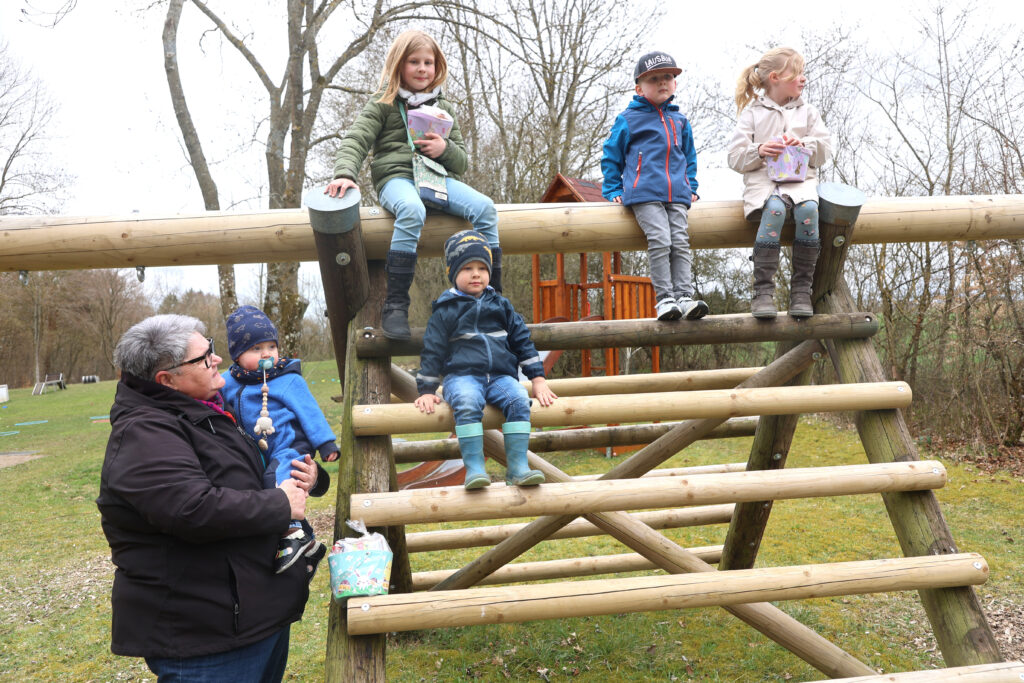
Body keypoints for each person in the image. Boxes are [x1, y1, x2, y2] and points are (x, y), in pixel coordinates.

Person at [96, 314, 329, 681]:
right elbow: (193, 508)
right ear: (166, 379)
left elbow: (255, 469)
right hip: (205, 635)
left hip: (251, 615)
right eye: (204, 357)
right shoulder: (145, 432)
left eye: (213, 349)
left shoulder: (210, 407)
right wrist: (280, 504)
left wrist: (306, 478)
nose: (217, 359)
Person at [325, 29, 500, 342]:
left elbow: (461, 162)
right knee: (411, 210)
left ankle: (491, 298)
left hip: (437, 178)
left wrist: (444, 150)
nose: (423, 69)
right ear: (398, 65)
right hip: (398, 178)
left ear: (437, 67)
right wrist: (345, 173)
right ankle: (396, 304)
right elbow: (356, 139)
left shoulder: (443, 108)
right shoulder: (384, 102)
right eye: (414, 62)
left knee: (485, 208)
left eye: (429, 62)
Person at [414, 230, 557, 489]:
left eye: (482, 267)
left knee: (518, 400)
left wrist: (538, 379)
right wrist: (426, 390)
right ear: (453, 273)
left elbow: (523, 341)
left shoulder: (501, 306)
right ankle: (475, 469)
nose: (476, 274)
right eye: (467, 268)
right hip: (462, 377)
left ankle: (517, 468)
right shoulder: (445, 311)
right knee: (468, 402)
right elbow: (432, 351)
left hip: (501, 377)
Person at [220, 305, 339, 574]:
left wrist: (326, 443)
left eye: (271, 347)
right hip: (260, 450)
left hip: (289, 446)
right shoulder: (229, 382)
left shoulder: (286, 378)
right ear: (237, 355)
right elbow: (213, 398)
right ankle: (308, 544)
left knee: (277, 483)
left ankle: (293, 534)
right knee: (264, 485)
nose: (266, 355)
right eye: (256, 349)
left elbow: (310, 411)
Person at [601, 50, 709, 322]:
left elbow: (689, 156)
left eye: (668, 77)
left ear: (675, 83)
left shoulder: (680, 120)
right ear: (639, 88)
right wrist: (613, 189)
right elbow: (611, 156)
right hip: (645, 193)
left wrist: (691, 185)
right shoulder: (629, 119)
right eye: (654, 79)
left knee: (681, 243)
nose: (662, 83)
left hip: (677, 195)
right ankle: (664, 300)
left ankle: (684, 296)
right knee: (660, 240)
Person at [726, 47, 833, 319]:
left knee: (809, 210)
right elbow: (735, 158)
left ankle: (801, 290)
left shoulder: (808, 112)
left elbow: (824, 152)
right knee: (774, 210)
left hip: (801, 184)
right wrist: (760, 150)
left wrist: (805, 145)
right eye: (797, 73)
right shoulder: (752, 114)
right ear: (775, 77)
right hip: (765, 186)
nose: (803, 79)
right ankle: (763, 291)